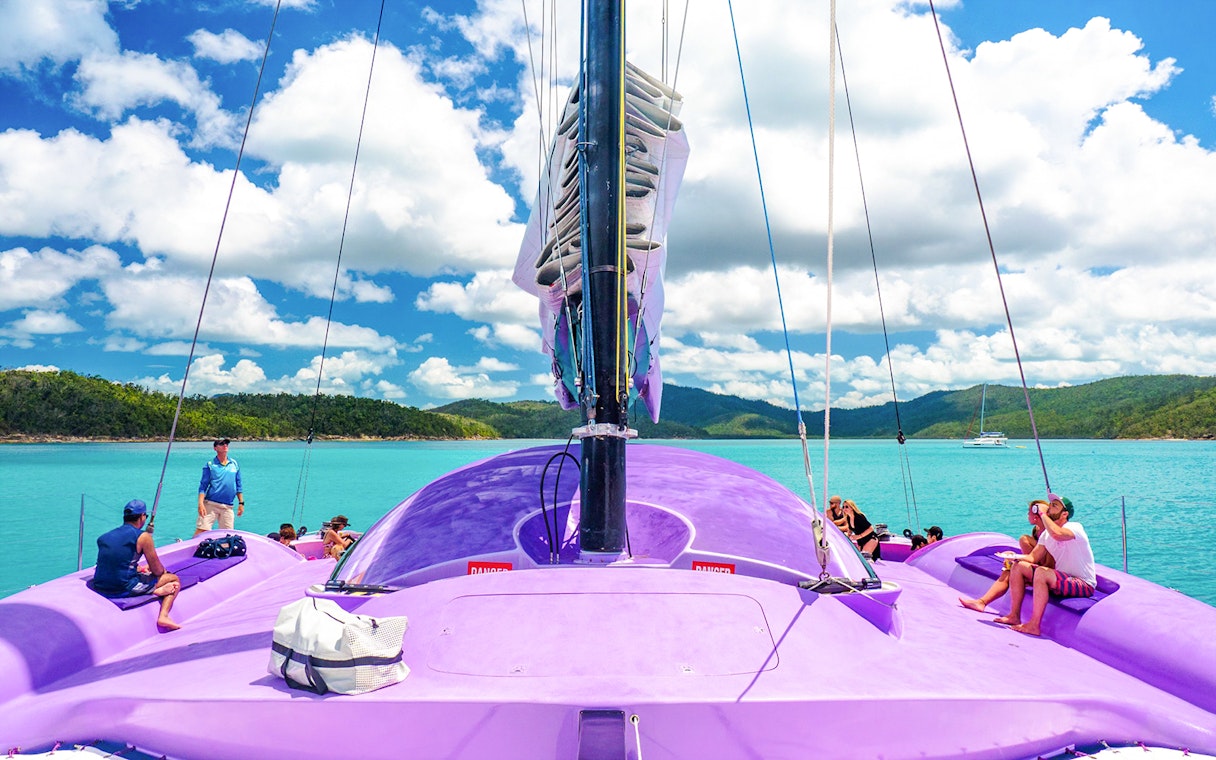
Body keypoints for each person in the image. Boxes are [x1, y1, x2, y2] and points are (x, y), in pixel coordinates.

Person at [999, 494, 1096, 636]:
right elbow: (1033, 557)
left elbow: (1058, 534)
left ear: (1065, 514)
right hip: (1062, 579)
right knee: (1019, 566)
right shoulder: (1046, 535)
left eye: (1055, 505)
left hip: (1083, 583)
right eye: (1050, 504)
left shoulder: (1075, 527)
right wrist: (1014, 557)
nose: (1050, 507)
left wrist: (1043, 514)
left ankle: (1034, 625)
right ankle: (1014, 615)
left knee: (1042, 572)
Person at [92, 499, 182, 631]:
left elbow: (115, 561)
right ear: (142, 517)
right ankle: (164, 615)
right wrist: (162, 573)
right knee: (173, 580)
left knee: (143, 574)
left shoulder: (104, 537)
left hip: (100, 585)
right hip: (122, 588)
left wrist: (138, 569)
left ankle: (153, 590)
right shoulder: (143, 537)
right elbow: (157, 570)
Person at [959, 499, 1053, 613]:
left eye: (1030, 512)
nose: (1028, 514)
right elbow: (1032, 558)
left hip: (1048, 573)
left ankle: (987, 604)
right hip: (1036, 567)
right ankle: (981, 602)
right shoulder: (1037, 531)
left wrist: (1017, 558)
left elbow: (1048, 563)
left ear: (1036, 516)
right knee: (1009, 569)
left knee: (1021, 546)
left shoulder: (1049, 534)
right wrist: (1014, 557)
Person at [195, 437, 244, 537]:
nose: (225, 445)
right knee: (202, 530)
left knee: (227, 535)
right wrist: (200, 504)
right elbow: (203, 486)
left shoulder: (234, 464)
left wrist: (241, 503)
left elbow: (238, 485)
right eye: (221, 444)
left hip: (228, 506)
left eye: (226, 444)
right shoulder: (210, 465)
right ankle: (189, 548)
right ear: (215, 448)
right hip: (211, 504)